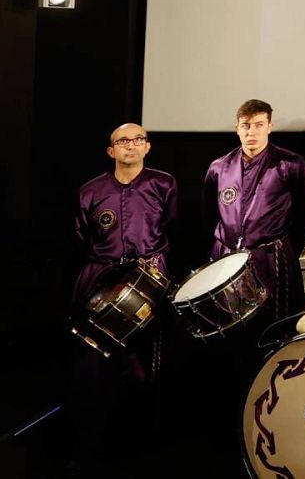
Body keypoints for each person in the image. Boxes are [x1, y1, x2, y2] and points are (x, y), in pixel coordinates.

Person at [68, 124, 179, 471]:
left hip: (150, 283)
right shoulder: (90, 191)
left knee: (146, 367)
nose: (130, 146)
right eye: (123, 141)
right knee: (96, 368)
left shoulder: (164, 184)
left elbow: (174, 228)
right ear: (111, 151)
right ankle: (94, 445)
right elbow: (81, 237)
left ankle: (143, 445)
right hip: (101, 281)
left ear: (147, 147)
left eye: (138, 140)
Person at [201, 99, 305, 325]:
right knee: (230, 326)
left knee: (275, 326)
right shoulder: (219, 167)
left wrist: (284, 248)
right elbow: (209, 213)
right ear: (237, 129)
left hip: (272, 259)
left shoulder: (291, 164)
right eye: (246, 125)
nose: (251, 131)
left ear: (269, 126)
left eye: (258, 124)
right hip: (227, 258)